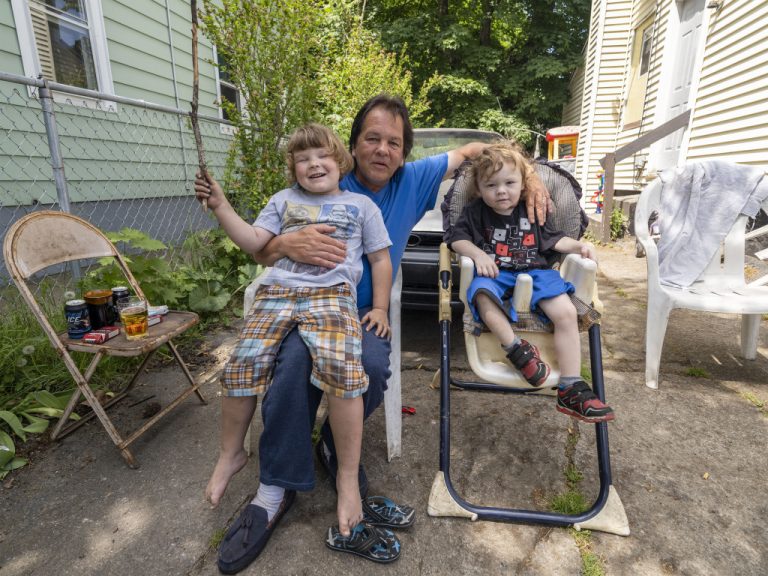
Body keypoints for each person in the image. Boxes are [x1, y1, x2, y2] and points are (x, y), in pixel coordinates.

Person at [195, 95, 549, 571]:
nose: (383, 150)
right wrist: (287, 243)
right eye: (372, 139)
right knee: (292, 365)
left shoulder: (413, 180)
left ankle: (332, 445)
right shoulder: (320, 181)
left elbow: (473, 152)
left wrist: (531, 177)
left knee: (371, 364)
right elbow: (261, 250)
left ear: (404, 152)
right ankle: (274, 488)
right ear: (353, 145)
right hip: (302, 301)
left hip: (360, 312)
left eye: (394, 143)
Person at [195, 123, 393, 571]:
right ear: (293, 169)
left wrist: (381, 307)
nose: (313, 164)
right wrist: (221, 206)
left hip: (331, 296)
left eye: (322, 156)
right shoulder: (282, 201)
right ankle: (231, 453)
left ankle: (346, 477)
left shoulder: (361, 206)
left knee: (345, 374)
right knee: (240, 368)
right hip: (278, 292)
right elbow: (255, 244)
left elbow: (380, 258)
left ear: (340, 161)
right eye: (303, 159)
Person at [445, 142, 615, 423]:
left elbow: (552, 240)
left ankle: (570, 386)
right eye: (491, 185)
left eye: (509, 183)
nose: (501, 191)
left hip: (536, 271)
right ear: (479, 189)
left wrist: (579, 246)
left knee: (566, 312)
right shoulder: (475, 212)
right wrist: (477, 254)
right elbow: (456, 239)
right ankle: (517, 350)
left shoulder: (531, 210)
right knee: (480, 295)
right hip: (496, 272)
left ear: (523, 184)